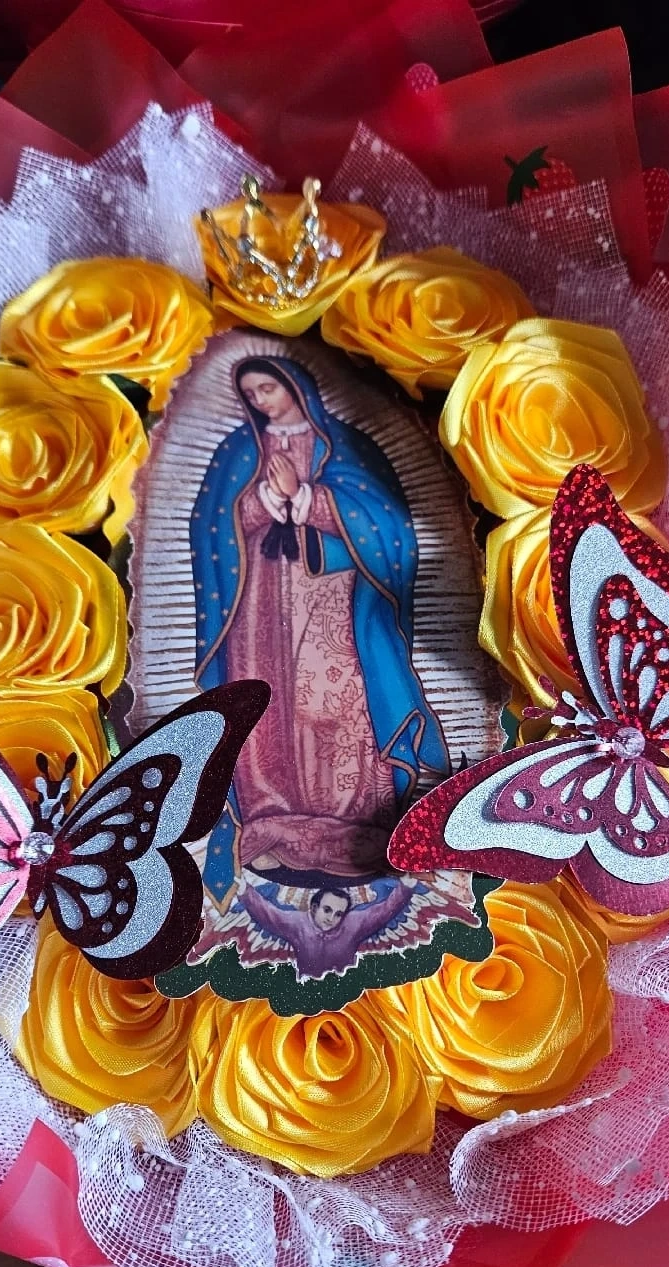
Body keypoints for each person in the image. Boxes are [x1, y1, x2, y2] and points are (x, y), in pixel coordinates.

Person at [190, 356, 448, 909]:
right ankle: (269, 816)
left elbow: (389, 525)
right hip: (258, 604)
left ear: (296, 386)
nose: (261, 401)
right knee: (267, 705)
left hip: (331, 596)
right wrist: (263, 502)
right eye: (252, 395)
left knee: (334, 698)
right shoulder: (238, 452)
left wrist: (310, 500)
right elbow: (212, 527)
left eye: (268, 388)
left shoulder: (346, 447)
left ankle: (352, 817)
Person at [237, 874, 418, 979]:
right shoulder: (297, 924)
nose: (331, 918)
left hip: (350, 994)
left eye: (338, 914)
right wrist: (244, 891)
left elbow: (384, 912)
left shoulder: (353, 925)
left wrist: (405, 888)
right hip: (303, 994)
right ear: (314, 908)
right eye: (327, 910)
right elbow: (267, 914)